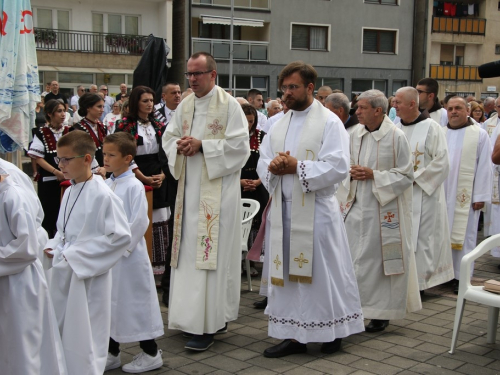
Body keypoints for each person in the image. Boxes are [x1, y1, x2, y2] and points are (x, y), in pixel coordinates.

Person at [256, 61, 364, 358]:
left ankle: (332, 331)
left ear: (310, 88)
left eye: (293, 87)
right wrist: (274, 167)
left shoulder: (329, 122)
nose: (287, 93)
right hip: (283, 211)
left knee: (322, 274)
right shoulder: (277, 123)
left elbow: (338, 166)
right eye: (284, 88)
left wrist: (297, 167)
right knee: (288, 276)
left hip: (317, 212)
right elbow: (263, 160)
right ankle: (293, 335)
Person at [162, 52, 249, 351]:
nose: (192, 79)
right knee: (187, 256)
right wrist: (180, 145)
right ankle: (188, 318)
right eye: (189, 74)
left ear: (213, 75)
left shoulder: (230, 106)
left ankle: (209, 323)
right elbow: (168, 136)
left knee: (210, 256)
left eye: (198, 74)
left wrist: (203, 147)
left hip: (217, 194)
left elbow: (241, 147)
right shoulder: (185, 104)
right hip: (188, 194)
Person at [43, 130, 131, 375]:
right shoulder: (70, 190)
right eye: (59, 159)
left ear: (86, 159)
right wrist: (54, 246)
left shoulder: (103, 195)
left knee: (87, 333)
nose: (61, 165)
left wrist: (76, 255)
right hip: (66, 271)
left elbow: (120, 237)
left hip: (88, 276)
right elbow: (63, 230)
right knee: (65, 331)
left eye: (66, 159)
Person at [337, 89, 421, 333]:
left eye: (362, 108)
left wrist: (374, 175)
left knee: (378, 263)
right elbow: (344, 166)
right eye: (357, 107)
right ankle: (354, 309)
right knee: (355, 261)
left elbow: (407, 175)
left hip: (382, 210)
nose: (357, 112)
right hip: (354, 205)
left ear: (378, 110)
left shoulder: (396, 137)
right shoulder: (353, 134)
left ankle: (381, 313)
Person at [102, 133, 164, 373]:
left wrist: (118, 247)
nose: (105, 158)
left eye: (111, 155)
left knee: (133, 305)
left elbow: (138, 223)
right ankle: (111, 351)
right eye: (104, 153)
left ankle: (151, 352)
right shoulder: (108, 183)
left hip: (128, 258)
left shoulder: (134, 186)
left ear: (128, 158)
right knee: (111, 305)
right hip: (110, 257)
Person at [0, 172, 68, 375]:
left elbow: (26, 247)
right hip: (7, 277)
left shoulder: (13, 197)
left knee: (24, 345)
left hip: (20, 281)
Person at [393, 87, 454, 291]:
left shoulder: (432, 128)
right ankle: (402, 280)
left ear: (412, 104)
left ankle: (421, 283)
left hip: (424, 194)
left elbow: (442, 162)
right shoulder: (394, 127)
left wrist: (414, 179)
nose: (394, 106)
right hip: (399, 193)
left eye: (398, 102)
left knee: (423, 238)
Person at [115, 86, 171, 275]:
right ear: (136, 102)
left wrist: (163, 174)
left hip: (158, 171)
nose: (149, 104)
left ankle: (160, 266)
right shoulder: (125, 125)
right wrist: (143, 178)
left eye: (151, 100)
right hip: (136, 173)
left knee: (161, 216)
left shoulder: (159, 124)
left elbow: (167, 151)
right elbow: (124, 155)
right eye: (145, 101)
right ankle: (141, 262)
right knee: (139, 216)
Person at [444, 97, 492, 293]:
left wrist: (480, 195)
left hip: (466, 196)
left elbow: (484, 167)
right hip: (442, 192)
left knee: (465, 236)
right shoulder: (440, 132)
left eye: (458, 108)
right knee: (441, 234)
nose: (453, 112)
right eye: (450, 108)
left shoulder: (479, 135)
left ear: (467, 111)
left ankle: (461, 276)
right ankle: (444, 273)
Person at [28, 99, 70, 237]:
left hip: (69, 181)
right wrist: (56, 172)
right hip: (49, 181)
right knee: (50, 213)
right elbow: (38, 158)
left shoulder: (70, 131)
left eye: (64, 110)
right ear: (49, 114)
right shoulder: (41, 133)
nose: (63, 114)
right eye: (59, 111)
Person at [240, 104, 268, 277]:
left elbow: (268, 161)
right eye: (245, 121)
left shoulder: (262, 136)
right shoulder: (233, 137)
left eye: (251, 121)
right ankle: (241, 261)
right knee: (242, 224)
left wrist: (258, 181)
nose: (248, 125)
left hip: (259, 184)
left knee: (258, 223)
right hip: (239, 184)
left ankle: (255, 260)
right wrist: (239, 181)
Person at [72, 93, 107, 168]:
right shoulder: (78, 129)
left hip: (105, 169)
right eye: (99, 107)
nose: (102, 110)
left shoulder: (102, 127)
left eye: (103, 107)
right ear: (88, 108)